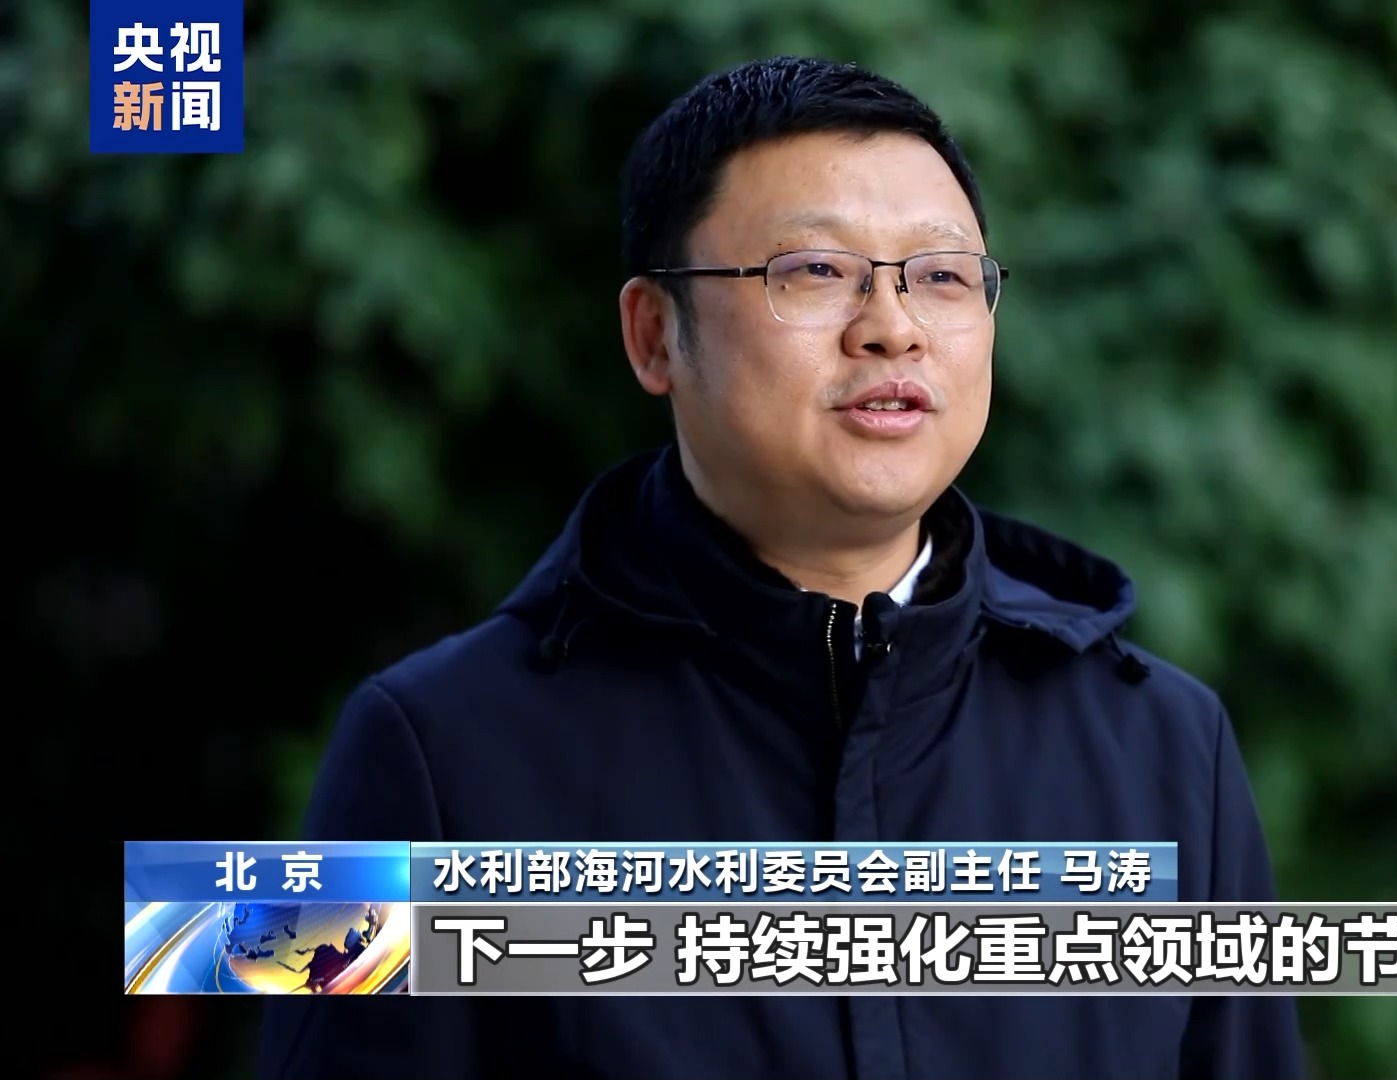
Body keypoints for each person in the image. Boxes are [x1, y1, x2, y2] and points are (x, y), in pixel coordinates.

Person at [260, 55, 1303, 1080]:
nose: (891, 329)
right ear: (654, 335)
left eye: (942, 277)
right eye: (815, 272)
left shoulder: (1166, 749)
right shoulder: (435, 752)